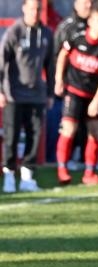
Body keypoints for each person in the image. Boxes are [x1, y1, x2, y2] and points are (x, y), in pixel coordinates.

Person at [54, 3, 98, 186]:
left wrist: (97, 100)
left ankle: (90, 172)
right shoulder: (76, 37)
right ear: (90, 21)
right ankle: (62, 169)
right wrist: (59, 79)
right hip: (74, 90)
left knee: (94, 132)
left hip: (95, 94)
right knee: (69, 129)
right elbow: (62, 56)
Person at [0, 0, 54, 193]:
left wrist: (49, 92)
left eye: (38, 9)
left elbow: (51, 65)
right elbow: (2, 60)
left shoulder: (47, 34)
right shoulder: (14, 31)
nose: (35, 12)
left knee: (35, 135)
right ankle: (8, 174)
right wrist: (1, 90)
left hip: (37, 95)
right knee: (11, 136)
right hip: (14, 94)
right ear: (24, 9)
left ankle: (27, 176)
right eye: (31, 8)